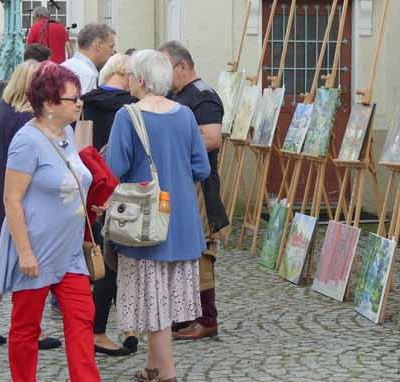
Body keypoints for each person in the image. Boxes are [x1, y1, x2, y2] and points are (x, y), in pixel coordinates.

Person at [0, 62, 101, 382]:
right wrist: (24, 252)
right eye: (73, 98)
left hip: (68, 252)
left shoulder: (66, 133)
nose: (79, 103)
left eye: (79, 97)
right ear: (50, 103)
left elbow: (71, 179)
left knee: (82, 318)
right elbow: (11, 198)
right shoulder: (27, 141)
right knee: (26, 328)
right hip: (35, 250)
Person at [106, 49, 210, 382]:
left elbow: (115, 168)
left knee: (154, 307)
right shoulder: (184, 115)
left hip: (145, 224)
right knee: (162, 301)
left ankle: (167, 374)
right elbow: (202, 167)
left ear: (140, 79)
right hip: (181, 220)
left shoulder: (128, 116)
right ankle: (152, 368)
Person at [0, 60, 61, 352]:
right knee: (25, 265)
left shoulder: (1, 110)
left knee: (0, 264)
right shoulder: (27, 121)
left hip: (0, 195)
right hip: (20, 202)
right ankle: (27, 331)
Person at [159, 40, 229, 340]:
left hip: (200, 185)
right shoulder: (175, 95)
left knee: (200, 249)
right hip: (180, 184)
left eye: (166, 69)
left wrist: (172, 143)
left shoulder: (204, 97)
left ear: (183, 66)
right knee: (181, 250)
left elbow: (212, 138)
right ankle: (184, 315)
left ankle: (206, 317)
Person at [82, 53, 138, 356]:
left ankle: (112, 327)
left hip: (94, 185)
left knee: (104, 261)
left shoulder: (87, 101)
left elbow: (81, 144)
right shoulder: (132, 107)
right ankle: (109, 329)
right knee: (120, 263)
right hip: (125, 189)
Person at [62, 23, 115, 95]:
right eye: (111, 47)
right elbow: (82, 105)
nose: (112, 52)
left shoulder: (62, 67)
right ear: (98, 46)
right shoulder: (89, 75)